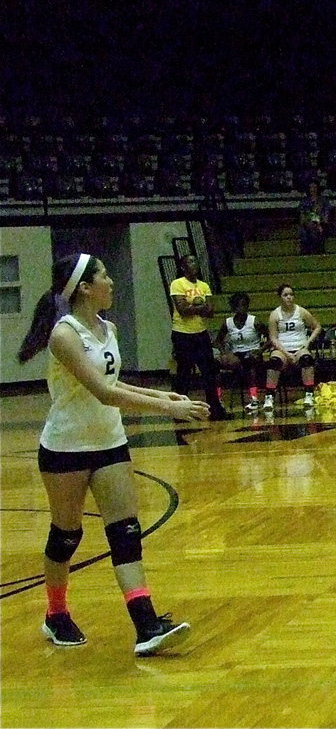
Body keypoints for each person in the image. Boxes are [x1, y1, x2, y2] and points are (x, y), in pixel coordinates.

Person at [17, 253, 206, 655]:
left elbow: (114, 384)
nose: (112, 281)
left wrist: (159, 393)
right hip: (66, 447)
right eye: (104, 275)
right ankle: (56, 614)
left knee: (126, 532)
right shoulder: (64, 335)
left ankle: (146, 625)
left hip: (109, 443)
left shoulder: (109, 328)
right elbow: (102, 393)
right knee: (66, 535)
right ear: (85, 287)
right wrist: (168, 409)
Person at [169, 254, 228, 420]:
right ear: (183, 267)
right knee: (184, 373)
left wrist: (195, 306)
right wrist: (199, 307)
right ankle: (179, 410)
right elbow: (182, 309)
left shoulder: (204, 285)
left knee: (209, 372)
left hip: (201, 334)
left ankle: (215, 408)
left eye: (195, 261)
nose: (194, 264)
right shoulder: (177, 284)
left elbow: (210, 311)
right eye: (190, 261)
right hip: (182, 334)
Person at [265, 283, 322, 411]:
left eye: (291, 294)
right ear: (280, 297)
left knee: (306, 359)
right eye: (285, 295)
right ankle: (269, 397)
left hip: (299, 347)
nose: (289, 297)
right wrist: (286, 353)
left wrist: (307, 343)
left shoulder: (301, 311)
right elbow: (273, 338)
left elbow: (317, 327)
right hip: (282, 349)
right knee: (274, 362)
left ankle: (309, 394)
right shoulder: (275, 314)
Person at [214, 292, 268, 412]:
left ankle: (254, 398)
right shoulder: (227, 323)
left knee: (249, 362)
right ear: (233, 308)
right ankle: (217, 398)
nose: (241, 309)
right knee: (215, 364)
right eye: (238, 306)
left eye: (244, 305)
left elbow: (271, 339)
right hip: (236, 354)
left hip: (252, 353)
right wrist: (224, 353)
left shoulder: (255, 321)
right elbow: (217, 341)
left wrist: (259, 351)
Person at [298, 181, 332, 255]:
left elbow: (326, 215)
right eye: (310, 187)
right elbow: (302, 215)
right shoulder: (304, 202)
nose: (312, 189)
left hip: (321, 223)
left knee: (317, 228)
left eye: (314, 187)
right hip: (307, 223)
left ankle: (316, 248)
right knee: (308, 226)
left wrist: (318, 220)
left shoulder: (324, 201)